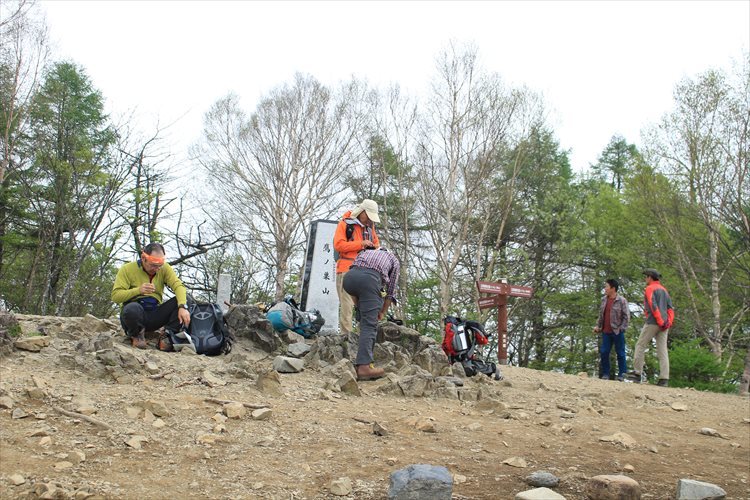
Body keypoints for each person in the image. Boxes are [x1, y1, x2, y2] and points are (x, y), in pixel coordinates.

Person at [111, 243, 191, 349]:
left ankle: (167, 336)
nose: (156, 269)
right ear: (143, 258)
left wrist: (182, 306)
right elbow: (116, 296)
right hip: (134, 314)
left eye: (159, 266)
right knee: (132, 309)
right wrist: (138, 290)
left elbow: (178, 286)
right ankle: (137, 335)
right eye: (153, 265)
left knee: (186, 299)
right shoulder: (127, 269)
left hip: (154, 313)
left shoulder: (164, 268)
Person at [342, 247, 399, 381]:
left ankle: (362, 360)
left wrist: (359, 305)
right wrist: (382, 312)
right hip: (369, 280)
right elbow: (390, 293)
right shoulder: (394, 260)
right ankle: (364, 368)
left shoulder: (366, 252)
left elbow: (355, 274)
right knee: (369, 325)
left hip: (349, 278)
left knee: (364, 315)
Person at [333, 199, 380, 336]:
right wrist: (360, 244)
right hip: (346, 268)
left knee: (365, 304)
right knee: (347, 306)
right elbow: (339, 245)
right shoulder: (345, 224)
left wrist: (373, 248)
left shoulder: (370, 227)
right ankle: (346, 336)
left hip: (365, 270)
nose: (370, 220)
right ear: (362, 212)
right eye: (369, 216)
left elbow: (376, 244)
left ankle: (363, 335)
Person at [625, 269, 674, 386]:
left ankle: (637, 373)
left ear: (650, 277)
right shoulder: (664, 290)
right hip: (664, 324)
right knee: (662, 350)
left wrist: (660, 320)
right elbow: (670, 309)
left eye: (646, 277)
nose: (645, 279)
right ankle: (664, 378)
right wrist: (668, 322)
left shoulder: (650, 289)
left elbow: (653, 306)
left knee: (640, 345)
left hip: (653, 322)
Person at [593, 279, 629, 381]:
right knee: (604, 352)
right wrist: (598, 326)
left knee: (620, 353)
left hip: (617, 331)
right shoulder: (604, 300)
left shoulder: (622, 301)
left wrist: (622, 329)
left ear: (613, 288)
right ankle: (606, 374)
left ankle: (622, 374)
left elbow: (626, 317)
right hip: (606, 331)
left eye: (606, 287)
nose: (605, 289)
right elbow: (601, 315)